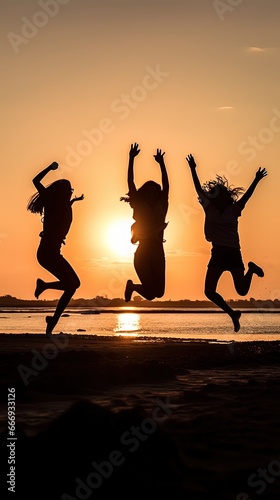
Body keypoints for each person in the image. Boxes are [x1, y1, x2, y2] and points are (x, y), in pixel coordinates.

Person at [186, 153, 267, 332]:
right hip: (218, 252)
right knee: (209, 291)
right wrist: (193, 169)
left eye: (224, 196)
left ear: (227, 197)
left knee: (242, 291)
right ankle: (232, 314)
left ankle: (252, 270)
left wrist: (256, 179)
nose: (222, 199)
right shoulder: (209, 208)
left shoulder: (235, 208)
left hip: (232, 252)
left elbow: (247, 196)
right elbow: (198, 190)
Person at [27, 162, 84, 335]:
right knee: (71, 286)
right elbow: (35, 181)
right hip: (46, 253)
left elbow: (64, 213)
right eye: (67, 190)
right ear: (59, 192)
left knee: (75, 284)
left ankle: (44, 286)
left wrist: (74, 201)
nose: (69, 192)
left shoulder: (66, 205)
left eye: (70, 190)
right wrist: (49, 169)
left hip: (53, 253)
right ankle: (52, 321)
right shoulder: (51, 203)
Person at [121, 143, 169, 302]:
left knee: (158, 293)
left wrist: (162, 164)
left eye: (155, 191)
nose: (153, 194)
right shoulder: (139, 204)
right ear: (144, 193)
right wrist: (131, 159)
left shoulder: (162, 204)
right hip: (143, 251)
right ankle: (132, 287)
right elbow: (130, 181)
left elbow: (167, 186)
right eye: (149, 191)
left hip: (158, 250)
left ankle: (133, 287)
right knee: (150, 293)